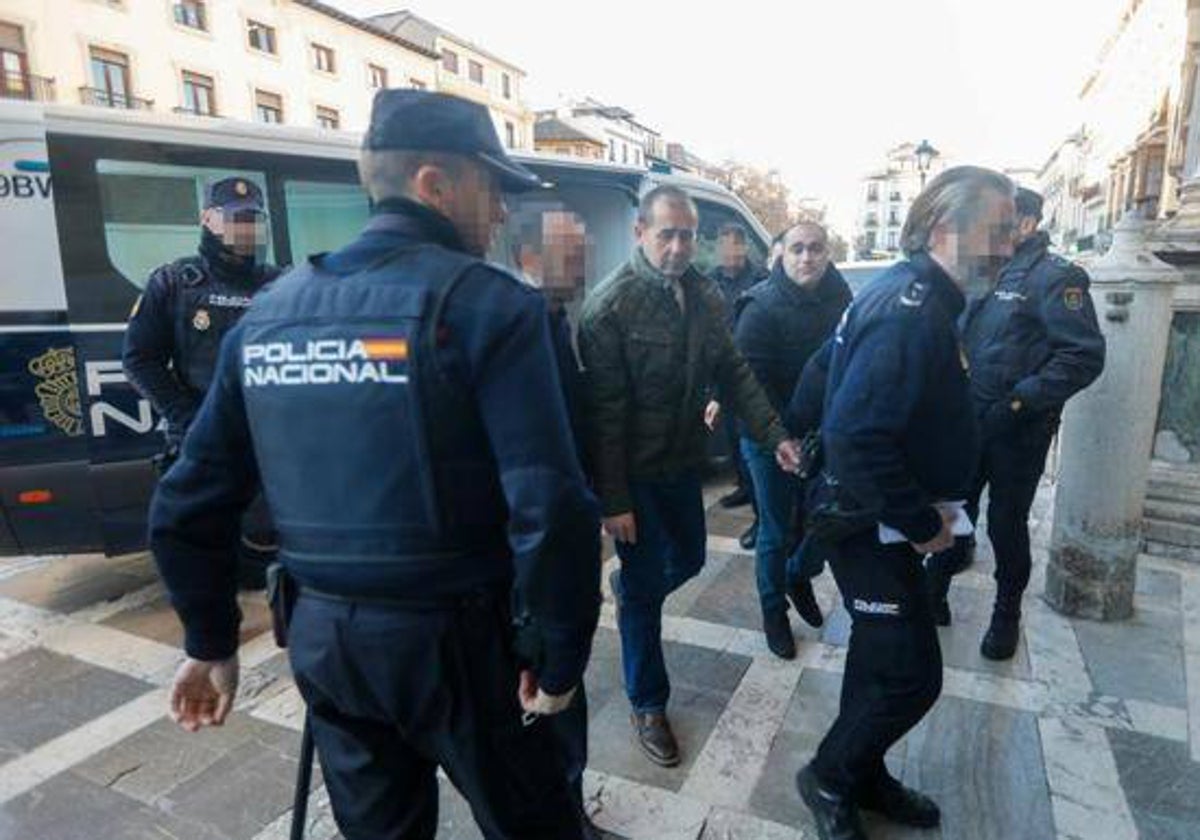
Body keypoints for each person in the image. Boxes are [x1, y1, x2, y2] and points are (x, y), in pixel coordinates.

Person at [149, 90, 601, 840]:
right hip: (464, 650)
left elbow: (187, 502)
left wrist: (210, 643)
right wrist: (558, 659)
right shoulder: (490, 307)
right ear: (435, 185)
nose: (498, 216)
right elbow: (550, 506)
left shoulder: (268, 316)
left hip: (328, 644)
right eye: (491, 192)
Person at [795, 167, 1015, 840]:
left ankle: (864, 774)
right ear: (946, 230)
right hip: (867, 524)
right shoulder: (910, 309)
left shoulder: (920, 296)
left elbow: (824, 376)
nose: (1009, 247)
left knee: (880, 654)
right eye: (998, 232)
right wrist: (921, 523)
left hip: (878, 519)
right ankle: (829, 775)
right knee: (911, 677)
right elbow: (856, 435)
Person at [578, 185, 799, 768]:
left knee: (691, 562)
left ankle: (630, 591)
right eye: (665, 234)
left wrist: (775, 436)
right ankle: (648, 702)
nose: (677, 247)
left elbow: (733, 372)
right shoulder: (610, 308)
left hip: (680, 463)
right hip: (635, 477)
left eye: (685, 236)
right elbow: (602, 418)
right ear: (640, 234)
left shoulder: (702, 294)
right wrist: (614, 499)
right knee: (648, 587)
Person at [926, 187, 1104, 659]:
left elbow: (1082, 356)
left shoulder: (1055, 277)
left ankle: (1006, 613)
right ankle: (934, 593)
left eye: (999, 222)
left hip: (1017, 429)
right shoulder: (984, 271)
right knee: (954, 508)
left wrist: (1019, 403)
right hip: (968, 420)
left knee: (1006, 524)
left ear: (1026, 223)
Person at [122, 177, 281, 588]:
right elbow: (140, 359)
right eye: (234, 219)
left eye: (252, 219)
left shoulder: (280, 283)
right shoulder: (174, 283)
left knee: (274, 560)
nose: (244, 230)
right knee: (201, 560)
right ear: (209, 220)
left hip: (268, 438)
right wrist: (186, 418)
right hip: (201, 436)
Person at [513, 204, 601, 839]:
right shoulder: (520, 331)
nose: (584, 262)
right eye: (571, 252)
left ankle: (562, 809)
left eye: (583, 249)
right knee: (551, 696)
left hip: (547, 543)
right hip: (532, 560)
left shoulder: (551, 319)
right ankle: (562, 818)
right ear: (528, 259)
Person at [734, 221, 852, 658]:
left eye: (816, 249)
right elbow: (748, 386)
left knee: (826, 519)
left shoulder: (841, 297)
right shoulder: (760, 307)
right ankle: (772, 610)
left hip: (820, 433)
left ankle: (799, 574)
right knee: (776, 530)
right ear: (781, 254)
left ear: (828, 253)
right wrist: (782, 440)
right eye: (797, 249)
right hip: (768, 436)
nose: (807, 257)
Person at [708, 223, 768, 529]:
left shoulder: (761, 280)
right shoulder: (710, 281)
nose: (729, 253)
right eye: (723, 247)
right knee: (733, 439)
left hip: (752, 374)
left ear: (744, 248)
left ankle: (762, 517)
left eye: (735, 246)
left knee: (752, 445)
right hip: (721, 371)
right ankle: (745, 489)